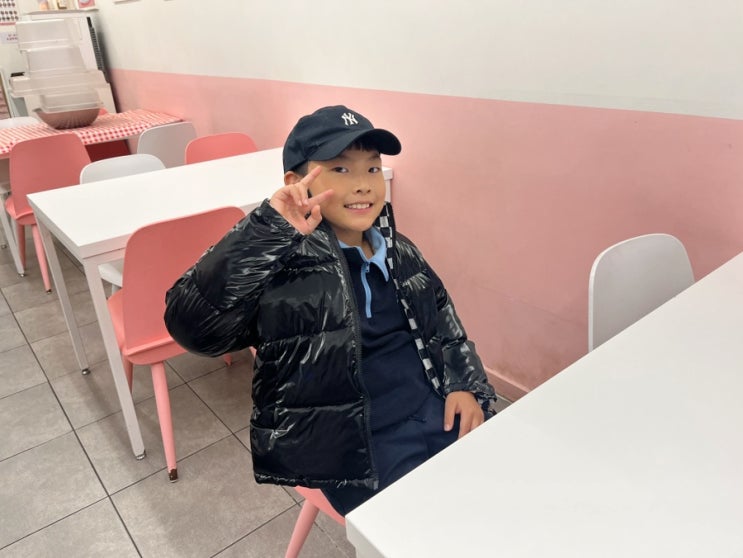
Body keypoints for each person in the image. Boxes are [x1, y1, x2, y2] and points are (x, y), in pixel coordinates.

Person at [164, 105, 497, 515]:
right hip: (353, 450)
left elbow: (444, 324)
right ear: (296, 184)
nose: (363, 185)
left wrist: (463, 383)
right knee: (432, 524)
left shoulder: (401, 250)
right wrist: (267, 230)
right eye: (340, 169)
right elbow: (192, 328)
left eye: (372, 168)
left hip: (434, 411)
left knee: (501, 494)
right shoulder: (282, 270)